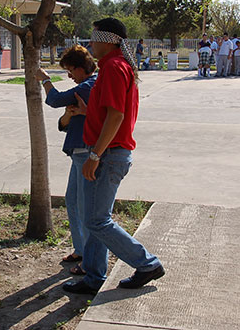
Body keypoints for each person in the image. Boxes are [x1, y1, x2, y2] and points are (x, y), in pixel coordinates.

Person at [62, 18, 164, 295]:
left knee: (96, 220)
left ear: (108, 39)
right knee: (95, 218)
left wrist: (95, 155)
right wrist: (87, 113)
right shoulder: (112, 66)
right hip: (107, 152)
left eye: (93, 37)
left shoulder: (114, 68)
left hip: (108, 154)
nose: (90, 43)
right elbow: (109, 112)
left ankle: (147, 264)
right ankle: (94, 278)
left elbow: (117, 115)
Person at [36, 45, 97, 277]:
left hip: (85, 153)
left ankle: (89, 259)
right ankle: (81, 249)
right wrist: (71, 115)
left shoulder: (88, 86)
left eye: (71, 70)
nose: (69, 76)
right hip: (78, 152)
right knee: (72, 201)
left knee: (85, 207)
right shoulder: (86, 86)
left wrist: (45, 80)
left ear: (81, 69)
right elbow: (63, 123)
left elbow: (54, 99)